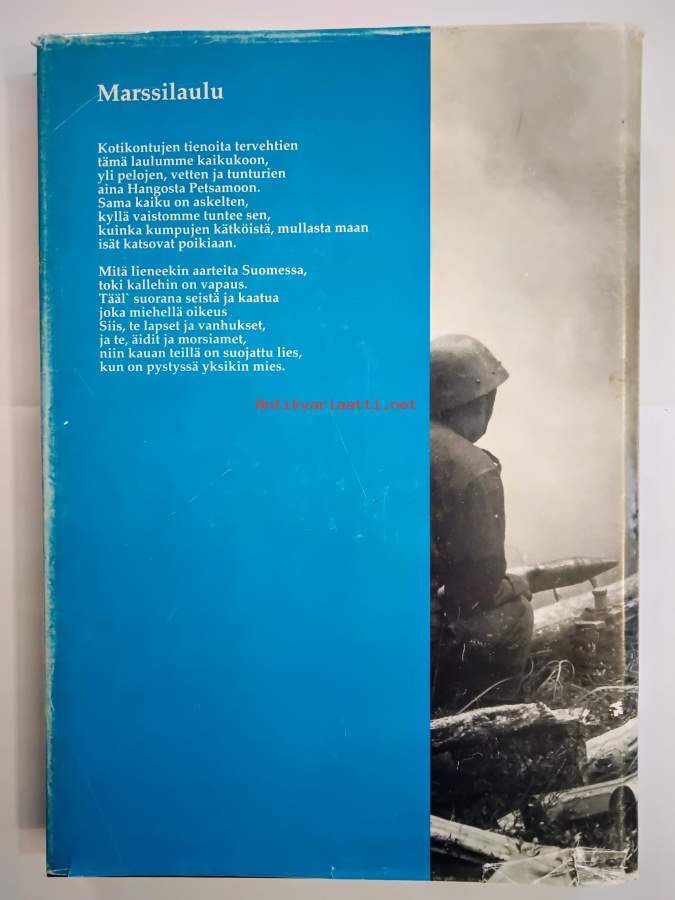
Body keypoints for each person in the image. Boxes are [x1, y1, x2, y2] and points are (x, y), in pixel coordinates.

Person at [430, 334, 533, 714]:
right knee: (514, 612)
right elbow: (475, 591)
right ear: (480, 401)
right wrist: (515, 585)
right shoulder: (473, 469)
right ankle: (485, 720)